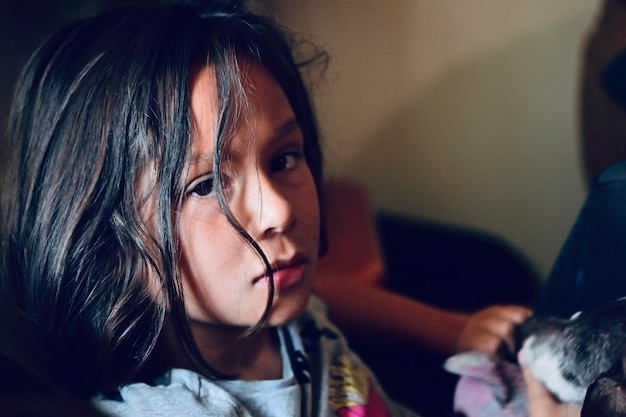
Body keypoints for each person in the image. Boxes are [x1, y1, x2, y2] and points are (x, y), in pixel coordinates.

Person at [0, 1, 545, 416]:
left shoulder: (269, 306)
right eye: (207, 185)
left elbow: (329, 295)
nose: (278, 210)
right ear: (100, 241)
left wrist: (449, 329)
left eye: (284, 157)